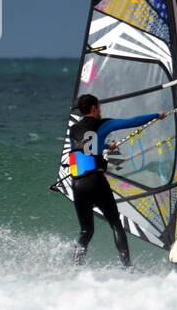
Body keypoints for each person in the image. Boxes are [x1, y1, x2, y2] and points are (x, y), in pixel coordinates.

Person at [67, 93, 168, 267]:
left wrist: (107, 146)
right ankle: (127, 268)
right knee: (115, 224)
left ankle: (75, 267)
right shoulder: (103, 123)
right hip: (95, 181)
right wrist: (156, 115)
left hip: (77, 184)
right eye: (99, 107)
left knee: (86, 231)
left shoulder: (73, 130)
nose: (100, 110)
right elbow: (133, 121)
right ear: (93, 108)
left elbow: (84, 146)